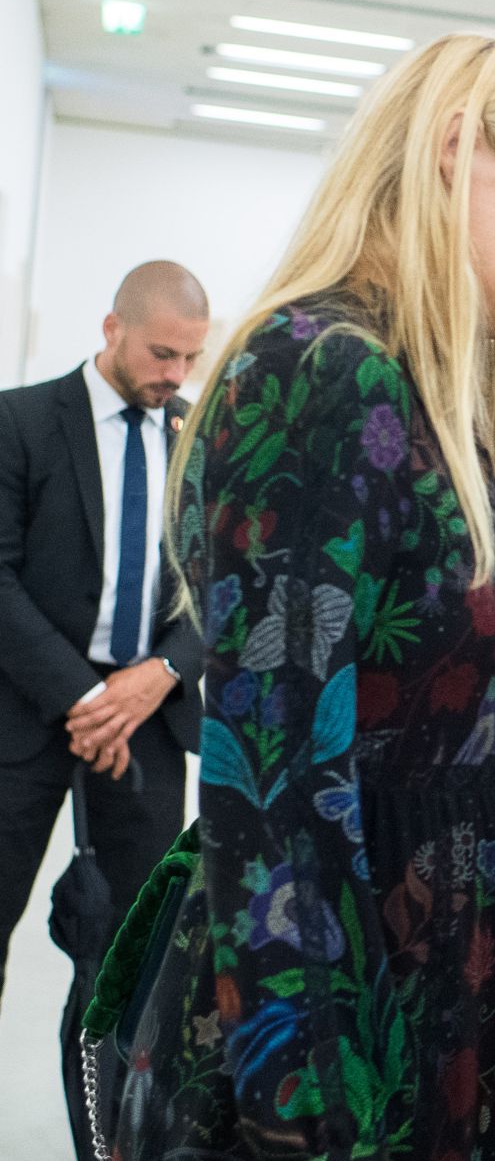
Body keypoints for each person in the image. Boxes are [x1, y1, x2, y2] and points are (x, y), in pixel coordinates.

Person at [106, 34, 495, 1160]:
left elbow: (394, 723)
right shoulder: (318, 370)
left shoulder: (424, 390)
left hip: (416, 978)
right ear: (454, 152)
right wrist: (307, 1115)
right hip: (320, 1023)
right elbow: (269, 791)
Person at [0, 260, 207, 1154]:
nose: (175, 375)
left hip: (149, 721)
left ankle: (106, 1136)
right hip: (27, 710)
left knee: (130, 953)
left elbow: (224, 583)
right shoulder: (19, 423)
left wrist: (158, 672)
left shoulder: (198, 438)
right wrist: (88, 697)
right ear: (112, 328)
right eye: (162, 353)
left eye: (189, 359)